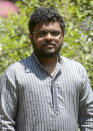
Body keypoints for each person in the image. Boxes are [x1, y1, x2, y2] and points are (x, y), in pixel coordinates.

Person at [0, 7, 93, 131]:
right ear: (31, 37)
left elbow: (89, 116)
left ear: (62, 36)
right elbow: (4, 123)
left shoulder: (78, 71)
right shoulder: (14, 74)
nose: (49, 37)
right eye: (41, 33)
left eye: (55, 33)